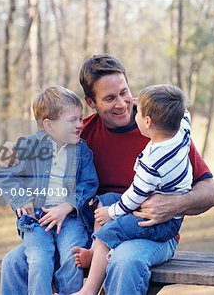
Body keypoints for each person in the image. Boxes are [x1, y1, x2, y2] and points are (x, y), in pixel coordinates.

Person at [0, 54, 214, 294]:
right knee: (14, 263)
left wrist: (176, 204)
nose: (122, 104)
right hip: (92, 230)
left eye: (124, 92)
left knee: (124, 260)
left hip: (150, 232)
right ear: (91, 102)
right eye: (110, 98)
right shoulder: (81, 135)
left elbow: (210, 192)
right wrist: (12, 152)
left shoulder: (162, 131)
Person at [73, 84, 193, 295]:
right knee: (105, 199)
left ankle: (88, 291)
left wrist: (111, 213)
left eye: (138, 111)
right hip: (154, 213)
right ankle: (95, 253)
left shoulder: (153, 163)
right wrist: (152, 105)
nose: (129, 108)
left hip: (159, 223)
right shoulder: (181, 132)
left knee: (106, 233)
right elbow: (184, 114)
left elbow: (134, 197)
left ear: (148, 122)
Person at [0, 85, 98, 295]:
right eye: (73, 120)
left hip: (70, 219)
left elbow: (89, 184)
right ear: (49, 125)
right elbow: (4, 175)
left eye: (80, 118)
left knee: (72, 255)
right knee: (39, 259)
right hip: (36, 220)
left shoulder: (82, 150)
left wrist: (67, 205)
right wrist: (21, 199)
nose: (80, 125)